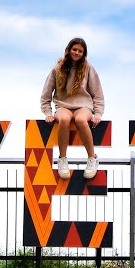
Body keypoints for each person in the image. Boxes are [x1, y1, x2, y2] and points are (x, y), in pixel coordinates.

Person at [41, 37, 105, 180]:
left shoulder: (88, 68)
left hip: (84, 106)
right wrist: (48, 112)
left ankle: (92, 158)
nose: (76, 53)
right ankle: (62, 159)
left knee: (81, 120)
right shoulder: (57, 69)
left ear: (84, 54)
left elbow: (98, 94)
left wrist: (98, 113)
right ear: (69, 50)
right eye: (74, 49)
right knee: (63, 119)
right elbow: (46, 94)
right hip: (63, 105)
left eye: (80, 51)